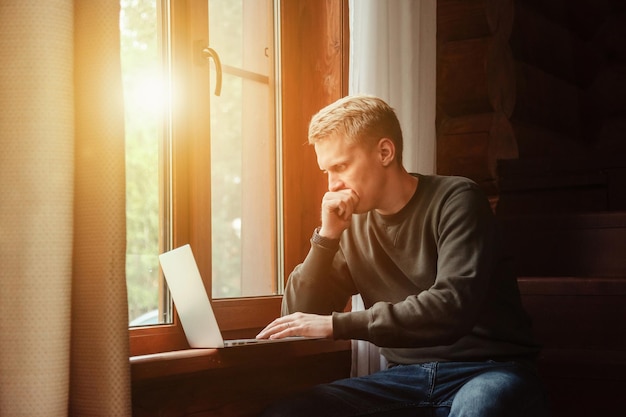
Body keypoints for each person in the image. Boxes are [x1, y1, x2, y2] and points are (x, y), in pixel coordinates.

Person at [256, 95, 549, 416]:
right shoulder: (348, 224)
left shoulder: (458, 200)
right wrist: (326, 238)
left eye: (340, 166)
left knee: (478, 408)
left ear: (385, 152)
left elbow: (451, 306)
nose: (333, 184)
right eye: (327, 171)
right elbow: (298, 316)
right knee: (288, 412)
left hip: (489, 370)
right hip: (405, 377)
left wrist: (337, 325)